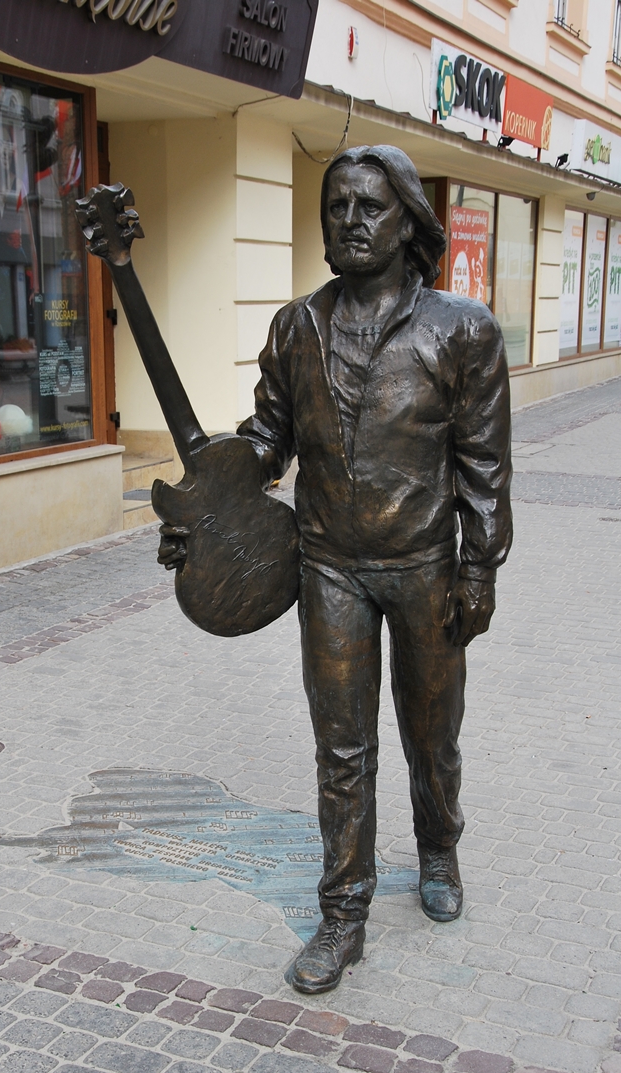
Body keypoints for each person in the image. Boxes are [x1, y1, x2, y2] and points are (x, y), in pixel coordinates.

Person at [159, 145, 512, 995]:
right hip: (330, 570)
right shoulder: (296, 327)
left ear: (407, 222)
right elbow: (266, 440)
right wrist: (211, 512)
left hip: (426, 565)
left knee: (432, 732)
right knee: (341, 748)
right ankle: (343, 910)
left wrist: (480, 567)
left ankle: (438, 850)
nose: (350, 222)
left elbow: (484, 466)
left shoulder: (462, 330)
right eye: (336, 207)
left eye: (370, 207)